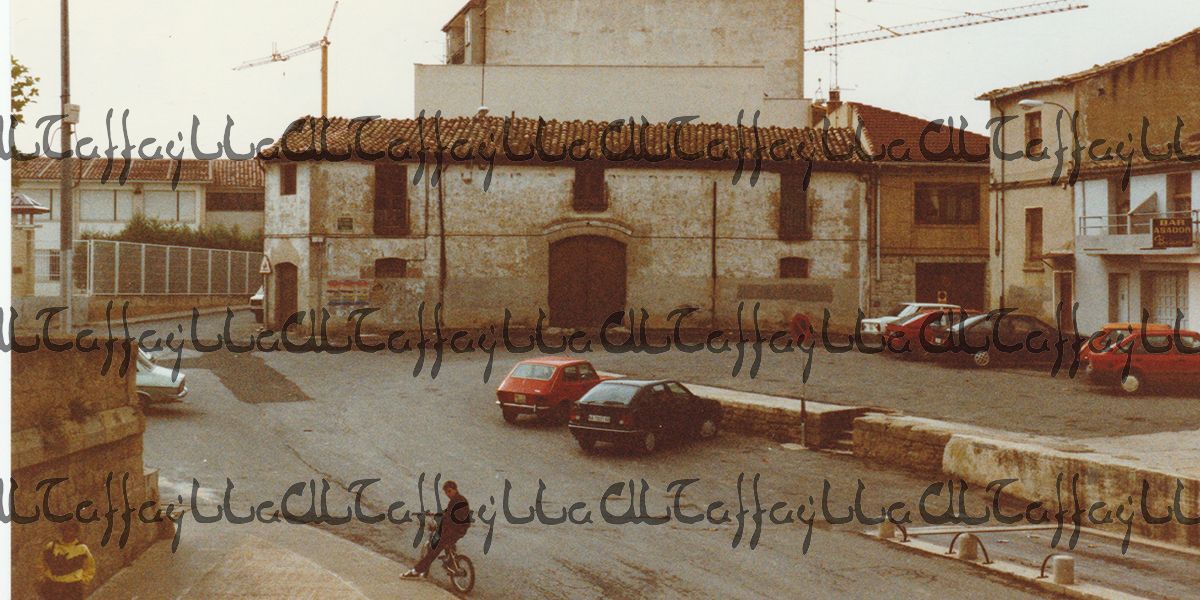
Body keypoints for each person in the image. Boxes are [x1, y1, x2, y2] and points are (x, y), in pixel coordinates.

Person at [402, 480, 471, 579]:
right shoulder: (459, 499)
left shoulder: (457, 501)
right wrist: (435, 514)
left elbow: (450, 518)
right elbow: (448, 513)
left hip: (455, 529)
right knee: (448, 542)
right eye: (446, 492)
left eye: (449, 491)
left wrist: (437, 525)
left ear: (455, 489)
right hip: (460, 530)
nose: (448, 494)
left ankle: (416, 571)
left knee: (433, 550)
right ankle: (450, 561)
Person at [38, 520, 96, 600]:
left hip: (73, 587)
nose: (68, 533)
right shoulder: (52, 546)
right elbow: (41, 563)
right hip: (53, 585)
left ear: (76, 533)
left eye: (71, 530)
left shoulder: (82, 548)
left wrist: (84, 580)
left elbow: (90, 566)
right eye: (65, 530)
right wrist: (42, 578)